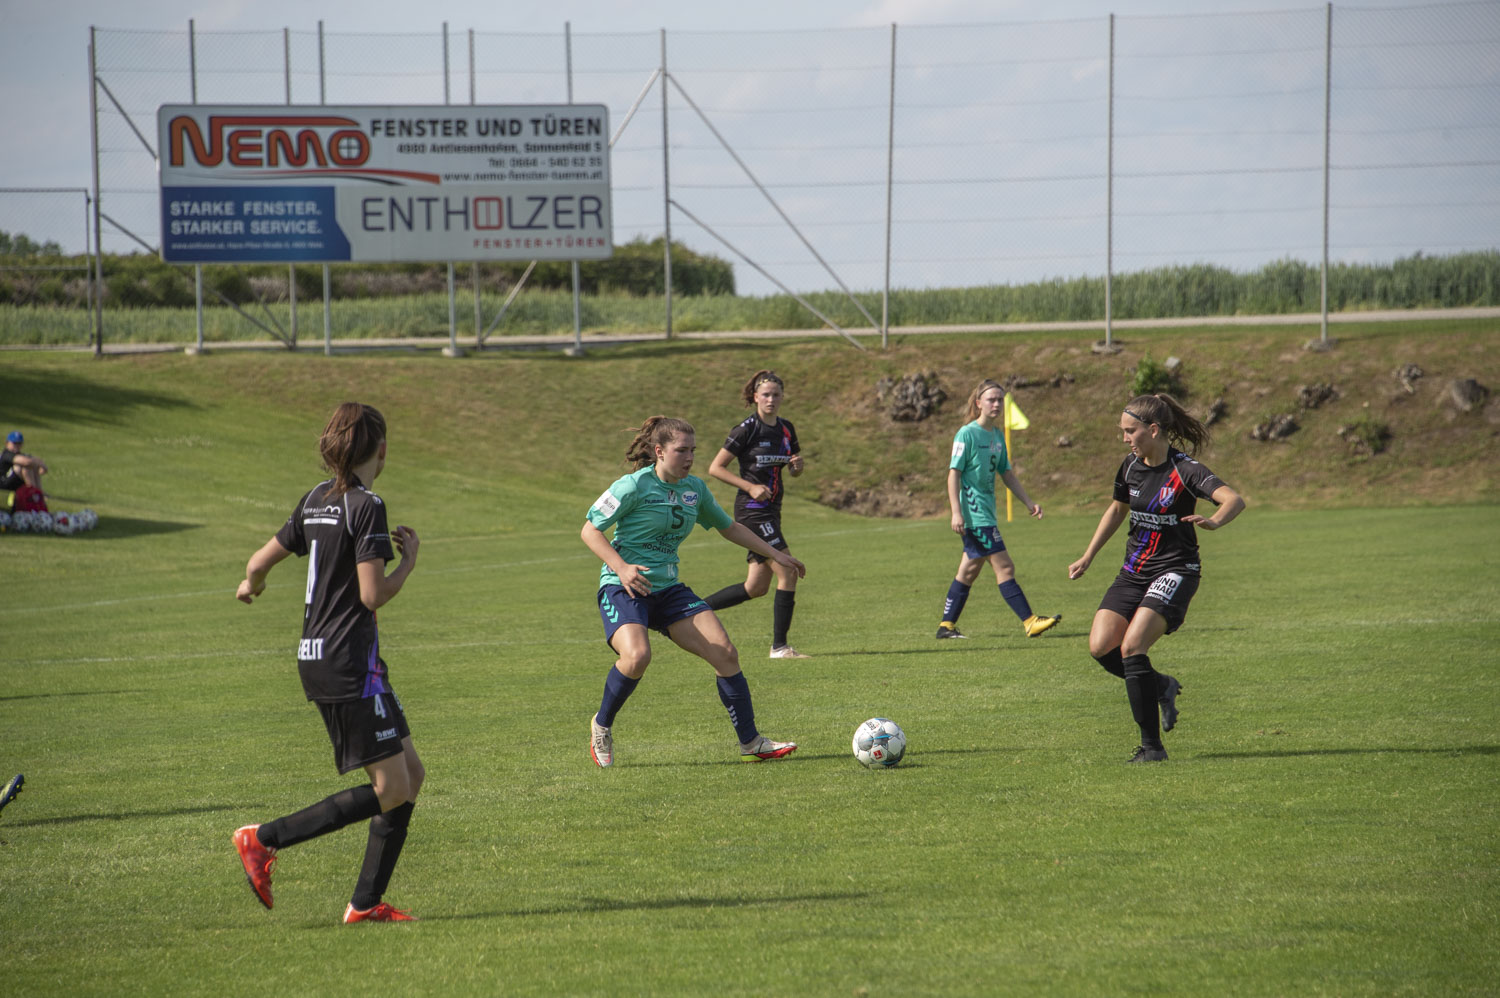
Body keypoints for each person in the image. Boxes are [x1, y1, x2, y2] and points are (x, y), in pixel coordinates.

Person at [231, 402, 425, 923]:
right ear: (381, 450)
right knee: (392, 788)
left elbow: (257, 562)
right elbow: (371, 595)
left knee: (410, 775)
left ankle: (365, 904)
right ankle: (263, 839)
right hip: (348, 663)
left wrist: (252, 585)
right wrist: (408, 564)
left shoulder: (316, 499)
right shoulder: (367, 505)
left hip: (333, 659)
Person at [582, 415, 807, 768]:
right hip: (624, 587)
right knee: (637, 657)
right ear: (659, 451)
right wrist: (622, 567)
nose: (689, 458)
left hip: (668, 589)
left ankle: (751, 742)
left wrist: (776, 554)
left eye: (693, 450)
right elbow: (590, 530)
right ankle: (602, 725)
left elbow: (729, 527)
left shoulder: (695, 490)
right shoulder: (632, 486)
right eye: (681, 450)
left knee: (725, 653)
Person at [1067, 392, 1245, 763]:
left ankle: (1152, 748)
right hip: (1133, 571)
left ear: (1152, 429)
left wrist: (1214, 520)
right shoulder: (1130, 466)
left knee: (1132, 647)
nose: (1124, 438)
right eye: (1122, 431)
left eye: (1130, 431)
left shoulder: (1186, 470)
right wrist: (1088, 555)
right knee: (1101, 647)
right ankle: (1161, 684)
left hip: (1176, 570)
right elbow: (1117, 511)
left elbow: (1233, 499)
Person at [935, 379, 1060, 641]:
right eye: (991, 399)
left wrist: (1028, 502)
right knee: (1005, 568)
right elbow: (953, 474)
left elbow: (1007, 474)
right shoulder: (966, 434)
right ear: (978, 403)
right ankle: (1030, 621)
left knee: (968, 571)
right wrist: (956, 512)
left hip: (986, 514)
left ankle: (946, 626)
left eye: (1000, 399)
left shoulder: (997, 436)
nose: (996, 404)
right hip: (975, 516)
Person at [702, 370, 809, 659]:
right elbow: (715, 468)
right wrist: (749, 487)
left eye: (776, 394)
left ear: (782, 397)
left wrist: (796, 468)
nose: (771, 399)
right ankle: (780, 648)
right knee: (787, 570)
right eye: (766, 395)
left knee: (756, 587)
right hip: (752, 512)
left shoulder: (786, 429)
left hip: (773, 511)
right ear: (755, 397)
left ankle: (691, 610)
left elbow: (793, 471)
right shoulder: (746, 429)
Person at [2, 431, 48, 508]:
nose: (17, 446)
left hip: (16, 482)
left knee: (32, 466)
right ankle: (34, 493)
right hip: (4, 482)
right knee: (25, 466)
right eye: (14, 443)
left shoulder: (21, 455)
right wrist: (39, 463)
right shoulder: (6, 454)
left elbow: (42, 471)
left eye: (19, 443)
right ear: (7, 443)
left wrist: (39, 465)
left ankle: (38, 493)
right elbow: (25, 462)